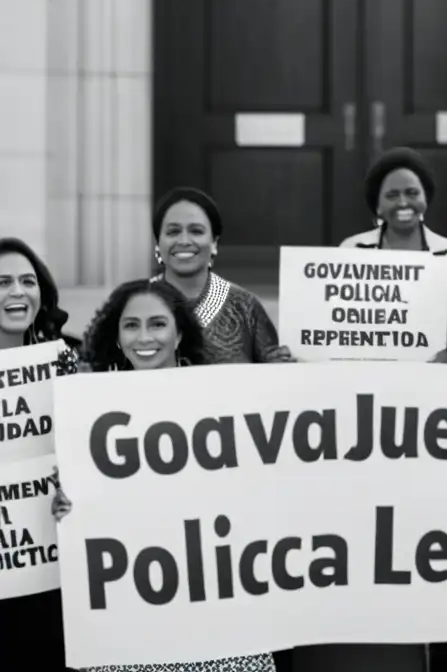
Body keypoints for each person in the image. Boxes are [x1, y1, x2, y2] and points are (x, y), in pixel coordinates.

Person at [56, 278, 276, 672]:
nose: (145, 336)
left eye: (157, 324)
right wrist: (66, 506)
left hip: (214, 608)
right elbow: (86, 500)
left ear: (178, 334)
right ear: (118, 336)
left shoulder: (223, 401)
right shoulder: (88, 408)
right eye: (131, 325)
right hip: (130, 609)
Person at [0, 237, 78, 672]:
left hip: (58, 573)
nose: (18, 291)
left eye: (28, 281)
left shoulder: (72, 360)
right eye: (3, 282)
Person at [340, 147, 447, 363]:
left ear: (425, 198)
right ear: (378, 207)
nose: (403, 203)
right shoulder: (352, 249)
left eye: (412, 193)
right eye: (392, 195)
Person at [152, 187, 292, 364]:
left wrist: (277, 365)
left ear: (214, 243)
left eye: (196, 231)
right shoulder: (129, 304)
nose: (184, 241)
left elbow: (274, 373)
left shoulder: (245, 307)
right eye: (173, 232)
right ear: (158, 243)